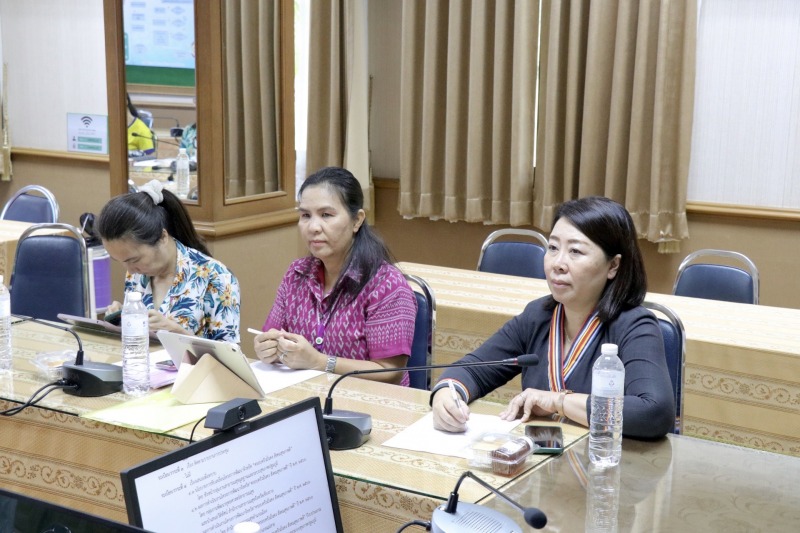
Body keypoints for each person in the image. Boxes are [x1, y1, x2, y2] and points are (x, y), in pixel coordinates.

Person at [431, 196, 675, 439]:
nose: (558, 263)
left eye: (575, 251)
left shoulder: (634, 325)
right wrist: (446, 396)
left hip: (605, 466)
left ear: (613, 266)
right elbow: (473, 370)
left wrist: (557, 401)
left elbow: (654, 413)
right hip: (539, 464)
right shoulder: (537, 316)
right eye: (553, 248)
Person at [253, 166, 417, 385]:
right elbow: (272, 333)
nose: (313, 227)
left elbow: (389, 372)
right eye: (305, 215)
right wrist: (267, 348)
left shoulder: (386, 285)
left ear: (357, 220)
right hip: (305, 394)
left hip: (367, 404)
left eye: (326, 215)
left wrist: (319, 362)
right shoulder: (296, 274)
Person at [97, 179, 240, 342]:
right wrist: (123, 318)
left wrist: (177, 332)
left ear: (162, 237)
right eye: (121, 261)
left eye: (134, 259)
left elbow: (230, 358)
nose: (129, 270)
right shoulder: (137, 274)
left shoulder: (215, 277)